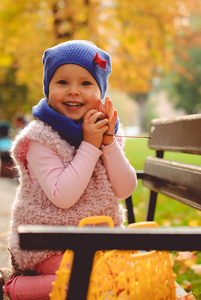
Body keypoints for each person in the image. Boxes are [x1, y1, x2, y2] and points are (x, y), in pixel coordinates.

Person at [3, 40, 137, 299]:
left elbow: (125, 189)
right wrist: (90, 144)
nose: (73, 91)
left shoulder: (104, 130)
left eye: (86, 83)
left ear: (101, 91)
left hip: (100, 240)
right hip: (49, 243)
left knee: (122, 276)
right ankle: (14, 286)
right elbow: (63, 196)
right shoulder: (42, 137)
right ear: (48, 88)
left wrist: (108, 145)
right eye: (62, 82)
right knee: (89, 279)